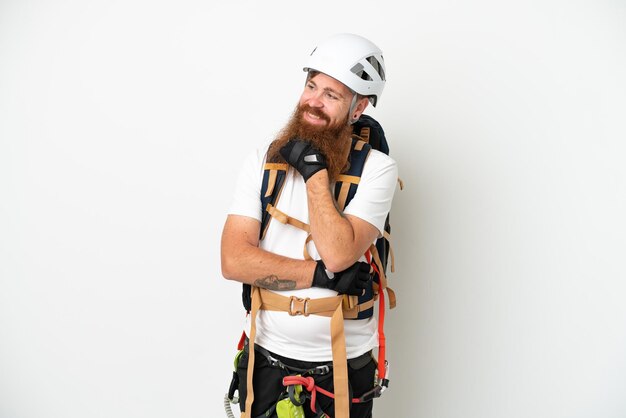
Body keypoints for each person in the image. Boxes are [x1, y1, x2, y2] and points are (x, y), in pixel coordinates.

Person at [221, 33, 398, 418]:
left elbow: (337, 253)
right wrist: (320, 275)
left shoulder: (377, 169)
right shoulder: (262, 161)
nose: (313, 102)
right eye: (311, 86)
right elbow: (234, 261)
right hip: (263, 360)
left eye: (331, 95)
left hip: (340, 369)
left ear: (359, 107)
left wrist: (315, 172)